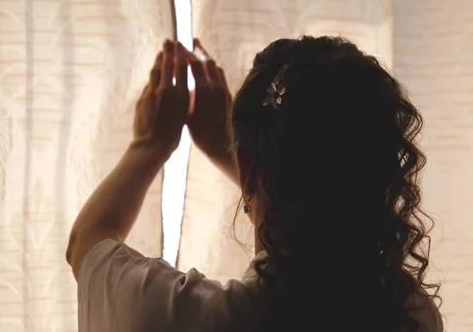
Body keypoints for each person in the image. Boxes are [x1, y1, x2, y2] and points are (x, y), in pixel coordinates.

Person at [66, 36, 443, 332]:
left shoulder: (189, 319)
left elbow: (87, 242)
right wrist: (244, 161)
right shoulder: (412, 315)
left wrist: (147, 145)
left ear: (252, 170)